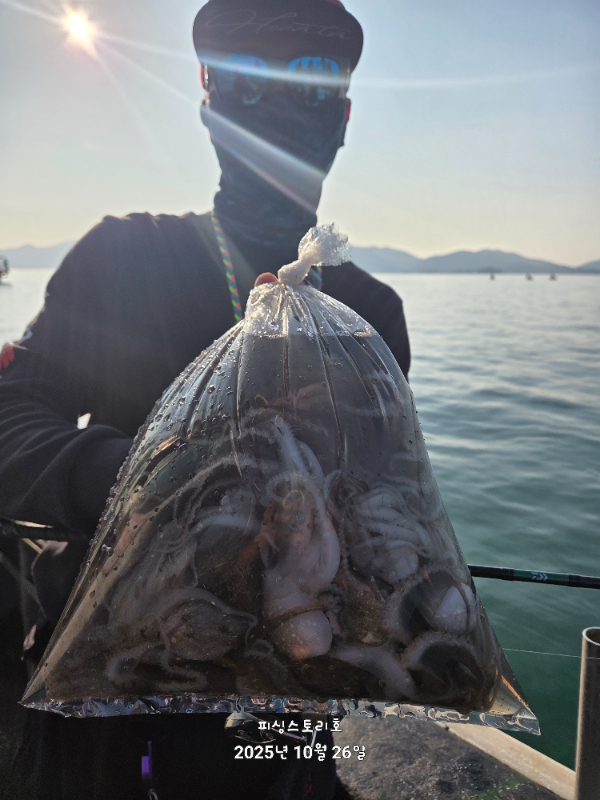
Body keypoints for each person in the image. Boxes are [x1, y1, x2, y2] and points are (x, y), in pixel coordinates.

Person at [0, 0, 411, 797]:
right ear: (208, 102)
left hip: (285, 716)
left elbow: (378, 511)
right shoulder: (124, 256)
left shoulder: (370, 316)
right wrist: (139, 481)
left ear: (343, 116)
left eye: (313, 77)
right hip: (102, 703)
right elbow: (10, 413)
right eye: (246, 76)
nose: (279, 102)